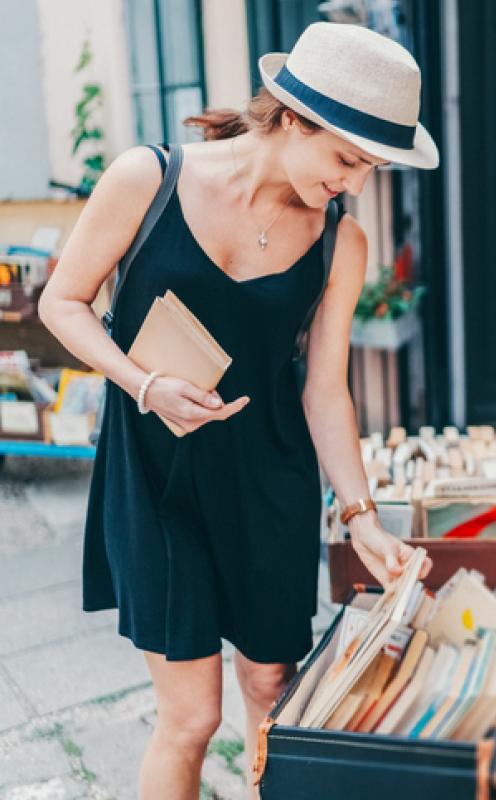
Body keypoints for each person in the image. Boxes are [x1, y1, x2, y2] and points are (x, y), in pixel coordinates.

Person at [37, 22, 437, 799]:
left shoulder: (340, 243)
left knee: (273, 689)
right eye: (349, 159)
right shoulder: (143, 179)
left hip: (269, 482)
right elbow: (63, 302)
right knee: (189, 719)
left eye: (372, 167)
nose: (356, 183)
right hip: (154, 475)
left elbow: (325, 387)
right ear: (291, 117)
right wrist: (143, 384)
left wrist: (362, 518)